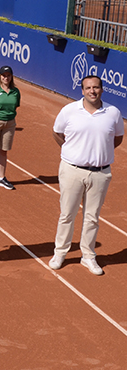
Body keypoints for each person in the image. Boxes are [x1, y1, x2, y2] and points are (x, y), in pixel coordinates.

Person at [49, 75, 124, 275]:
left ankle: (88, 256)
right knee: (67, 214)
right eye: (88, 88)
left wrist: (99, 155)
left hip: (100, 173)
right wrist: (73, 151)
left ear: (102, 89)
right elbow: (57, 132)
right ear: (82, 90)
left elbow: (117, 138)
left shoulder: (113, 113)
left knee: (92, 217)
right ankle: (60, 253)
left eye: (96, 87)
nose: (92, 91)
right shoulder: (69, 111)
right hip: (72, 170)